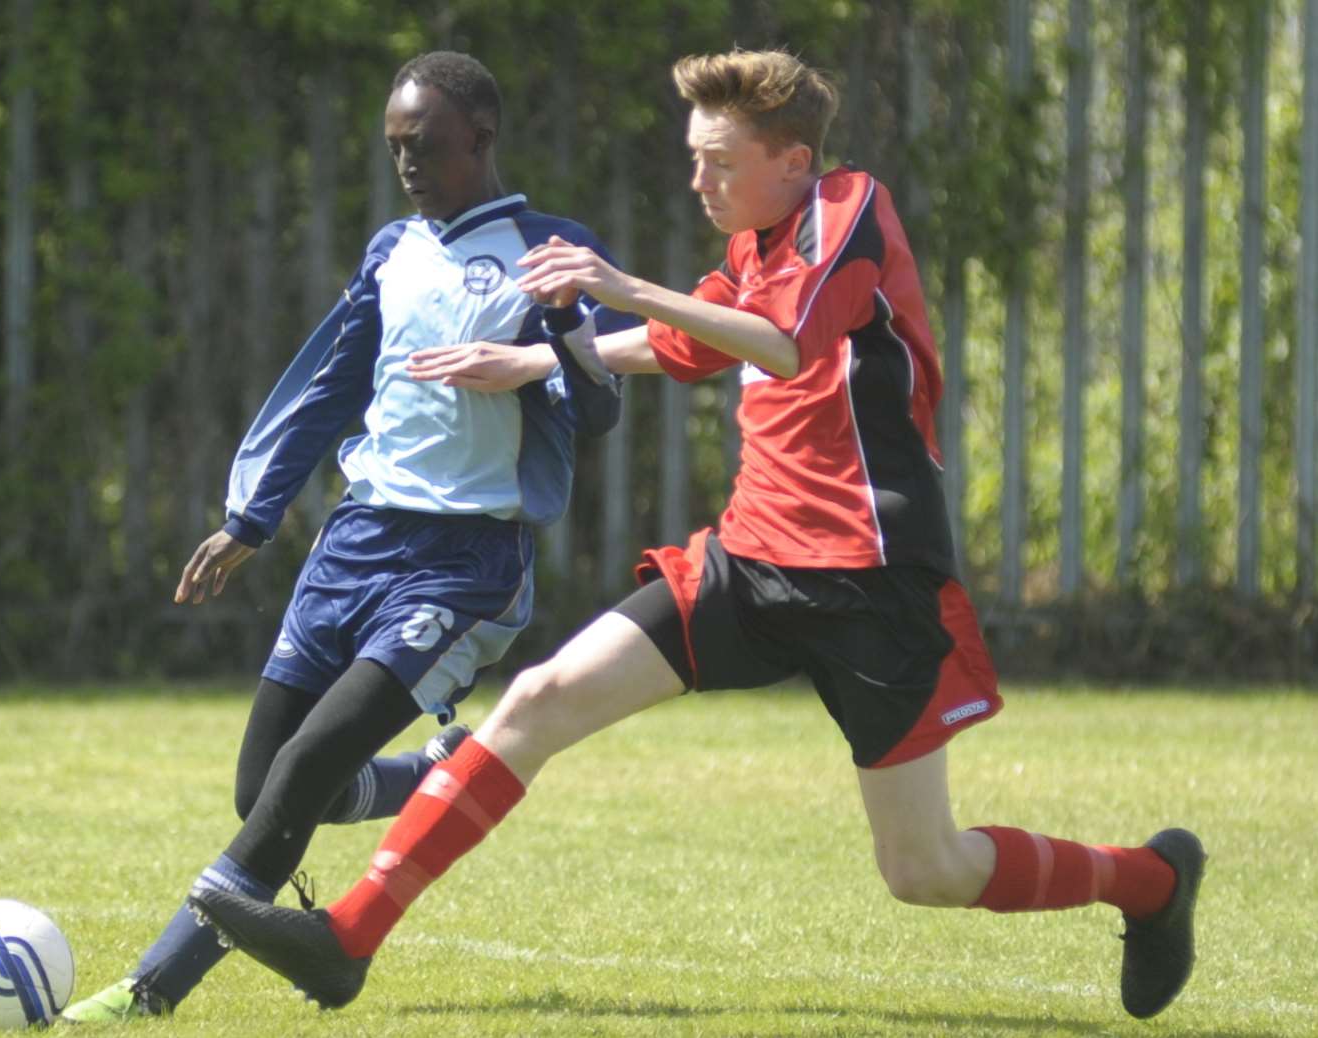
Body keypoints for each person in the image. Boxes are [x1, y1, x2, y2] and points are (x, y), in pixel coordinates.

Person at [188, 49, 1205, 1022]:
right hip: (749, 560)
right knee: (538, 699)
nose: (697, 182)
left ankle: (1150, 881)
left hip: (870, 581)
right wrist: (537, 364)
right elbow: (681, 341)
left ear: (793, 163)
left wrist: (616, 284)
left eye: (718, 162)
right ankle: (348, 940)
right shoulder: (751, 249)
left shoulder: (849, 213)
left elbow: (783, 339)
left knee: (924, 870)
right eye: (692, 159)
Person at [62, 51, 637, 1022]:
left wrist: (551, 343)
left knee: (305, 770)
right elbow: (331, 387)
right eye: (395, 148)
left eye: (425, 146)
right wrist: (253, 516)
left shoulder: (551, 252)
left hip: (461, 567)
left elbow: (601, 408)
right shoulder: (392, 251)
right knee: (264, 786)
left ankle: (150, 991)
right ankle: (433, 775)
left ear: (481, 140)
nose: (407, 163)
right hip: (352, 545)